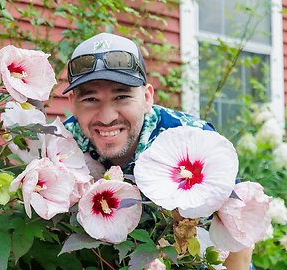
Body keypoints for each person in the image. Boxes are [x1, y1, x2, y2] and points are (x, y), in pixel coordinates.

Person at [62, 32, 253, 270]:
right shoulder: (64, 142)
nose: (107, 117)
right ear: (72, 103)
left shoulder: (192, 138)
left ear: (147, 97)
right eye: (90, 99)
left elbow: (239, 232)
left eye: (122, 97)